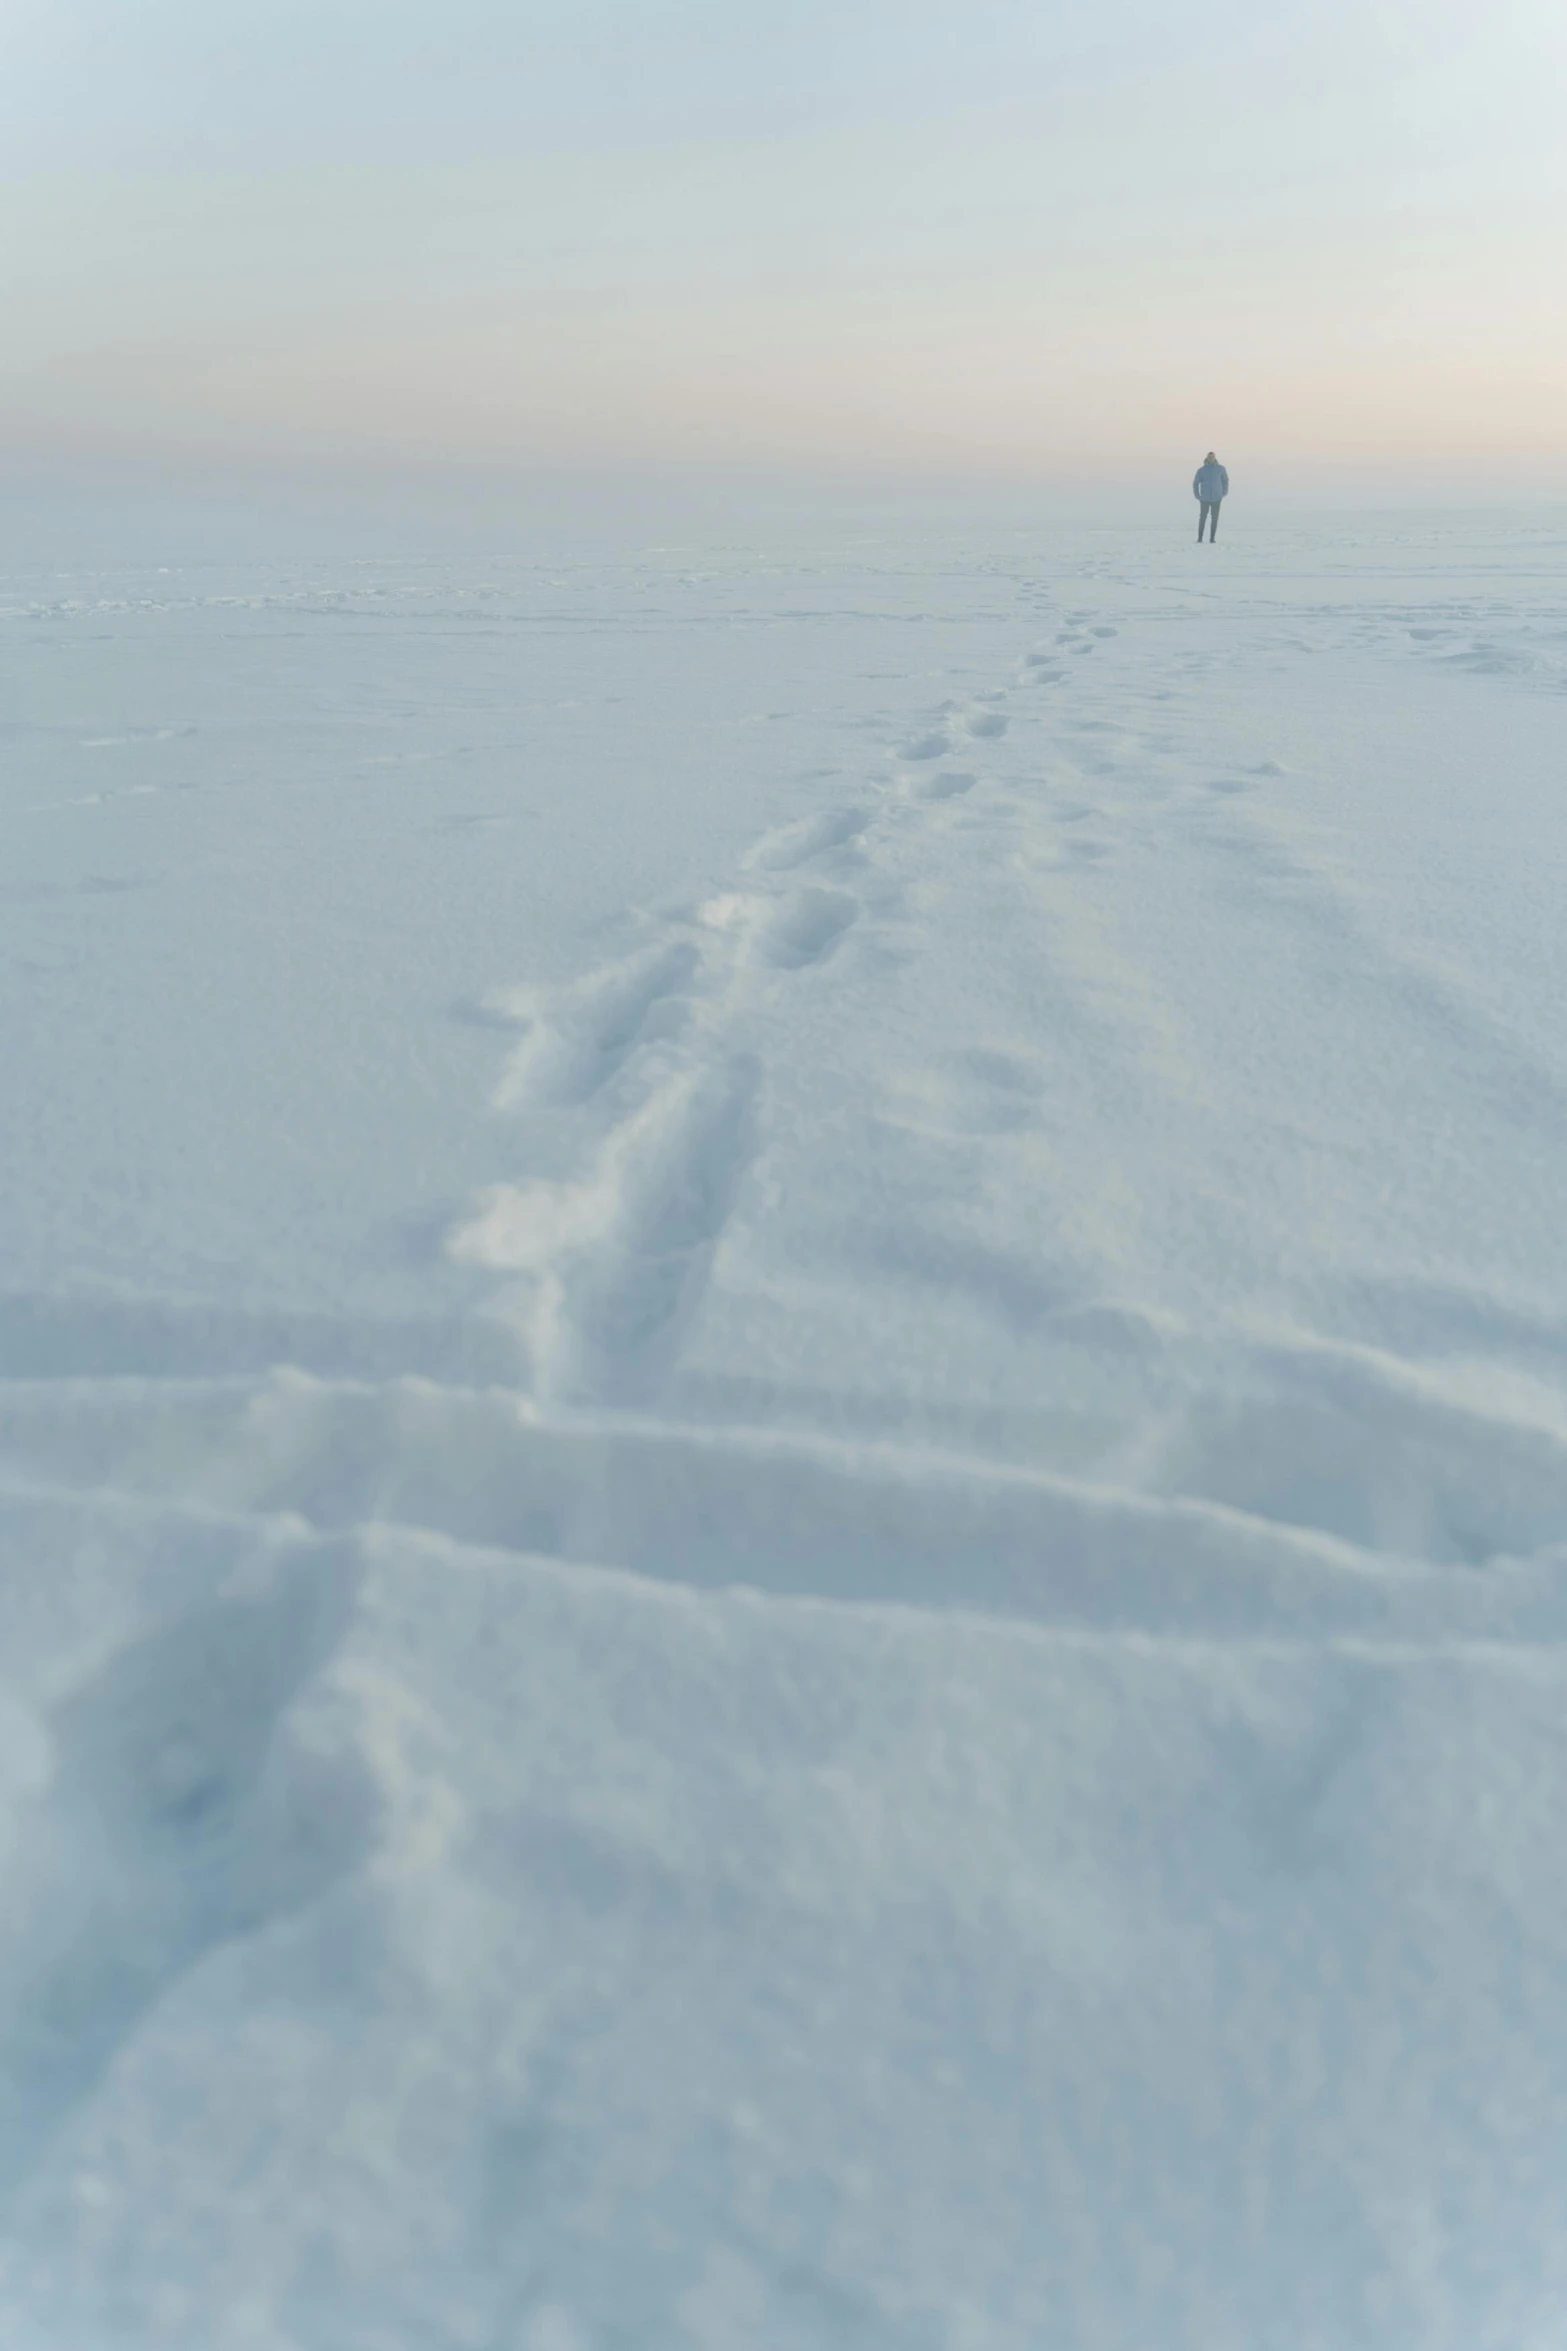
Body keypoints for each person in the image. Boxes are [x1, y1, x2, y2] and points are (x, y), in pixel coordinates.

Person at [1193, 452, 1229, 542]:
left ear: (1215, 458)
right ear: (1206, 458)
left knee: (1214, 518)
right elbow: (1195, 483)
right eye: (1209, 457)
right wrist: (1197, 495)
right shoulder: (1201, 470)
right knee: (1203, 517)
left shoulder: (1221, 469)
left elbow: (1225, 481)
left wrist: (1224, 492)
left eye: (1212, 457)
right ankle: (1200, 538)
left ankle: (1212, 538)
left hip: (1217, 498)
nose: (1211, 458)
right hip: (1204, 498)